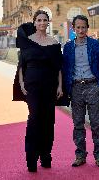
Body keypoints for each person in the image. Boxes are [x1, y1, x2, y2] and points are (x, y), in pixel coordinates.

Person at [13, 10, 65, 172]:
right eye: (39, 20)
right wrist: (21, 82)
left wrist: (60, 86)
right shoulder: (27, 41)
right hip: (32, 85)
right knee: (34, 118)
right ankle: (31, 158)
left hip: (50, 85)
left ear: (48, 23)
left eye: (45, 20)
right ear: (34, 22)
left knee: (49, 120)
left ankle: (46, 156)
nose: (42, 23)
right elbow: (22, 64)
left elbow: (59, 68)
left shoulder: (54, 43)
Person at [62, 15, 99, 167]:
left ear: (87, 28)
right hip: (76, 88)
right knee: (78, 124)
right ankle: (80, 155)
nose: (81, 30)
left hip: (92, 86)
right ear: (73, 28)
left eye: (83, 27)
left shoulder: (95, 44)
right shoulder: (68, 47)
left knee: (96, 124)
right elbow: (65, 68)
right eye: (78, 27)